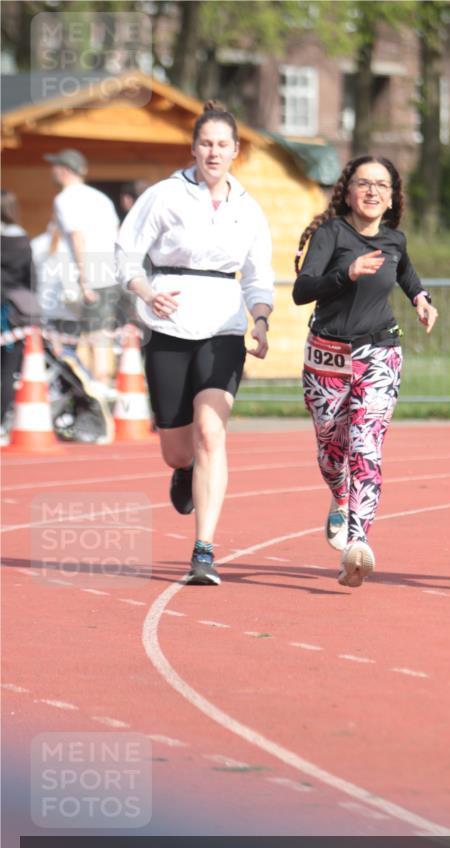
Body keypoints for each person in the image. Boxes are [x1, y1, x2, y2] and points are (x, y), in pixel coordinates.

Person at [116, 100, 273, 585]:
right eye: (206, 143)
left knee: (212, 432)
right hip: (168, 324)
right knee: (178, 450)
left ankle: (203, 550)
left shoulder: (248, 207)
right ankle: (183, 471)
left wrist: (261, 319)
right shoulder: (164, 195)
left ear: (235, 151)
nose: (214, 151)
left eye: (223, 144)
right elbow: (125, 255)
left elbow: (257, 275)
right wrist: (146, 291)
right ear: (193, 147)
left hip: (224, 326)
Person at [293, 155, 438, 588]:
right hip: (327, 357)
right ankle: (340, 497)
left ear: (392, 197)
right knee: (330, 450)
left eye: (382, 185)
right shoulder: (330, 233)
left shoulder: (395, 240)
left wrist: (421, 298)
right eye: (364, 183)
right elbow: (303, 289)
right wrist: (346, 273)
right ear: (348, 191)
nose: (373, 191)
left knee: (366, 445)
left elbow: (406, 273)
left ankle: (358, 543)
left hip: (380, 352)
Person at [45, 148, 120, 389]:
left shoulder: (65, 199)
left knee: (91, 337)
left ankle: (96, 389)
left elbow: (78, 238)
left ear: (63, 170)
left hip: (87, 276)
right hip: (109, 273)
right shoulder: (101, 198)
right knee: (95, 335)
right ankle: (97, 387)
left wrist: (83, 279)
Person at [1, 190, 36, 438]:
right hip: (14, 311)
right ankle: (1, 420)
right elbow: (31, 280)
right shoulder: (23, 240)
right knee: (8, 369)